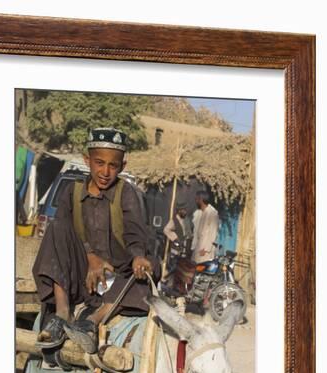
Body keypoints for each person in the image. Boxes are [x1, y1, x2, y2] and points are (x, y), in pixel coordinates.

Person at [32, 127, 160, 355]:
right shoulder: (72, 191)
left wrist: (138, 256)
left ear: (123, 166)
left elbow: (134, 232)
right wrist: (91, 258)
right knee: (57, 226)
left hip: (118, 278)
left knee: (150, 264)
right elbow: (62, 235)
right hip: (80, 277)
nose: (105, 171)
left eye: (113, 165)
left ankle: (92, 320)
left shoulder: (127, 192)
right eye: (99, 163)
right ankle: (62, 314)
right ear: (86, 160)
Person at [191, 190, 219, 264]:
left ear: (201, 199)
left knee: (202, 271)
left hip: (204, 250)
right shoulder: (200, 212)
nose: (195, 200)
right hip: (198, 247)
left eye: (197, 199)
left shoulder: (212, 213)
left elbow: (213, 233)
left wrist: (206, 249)